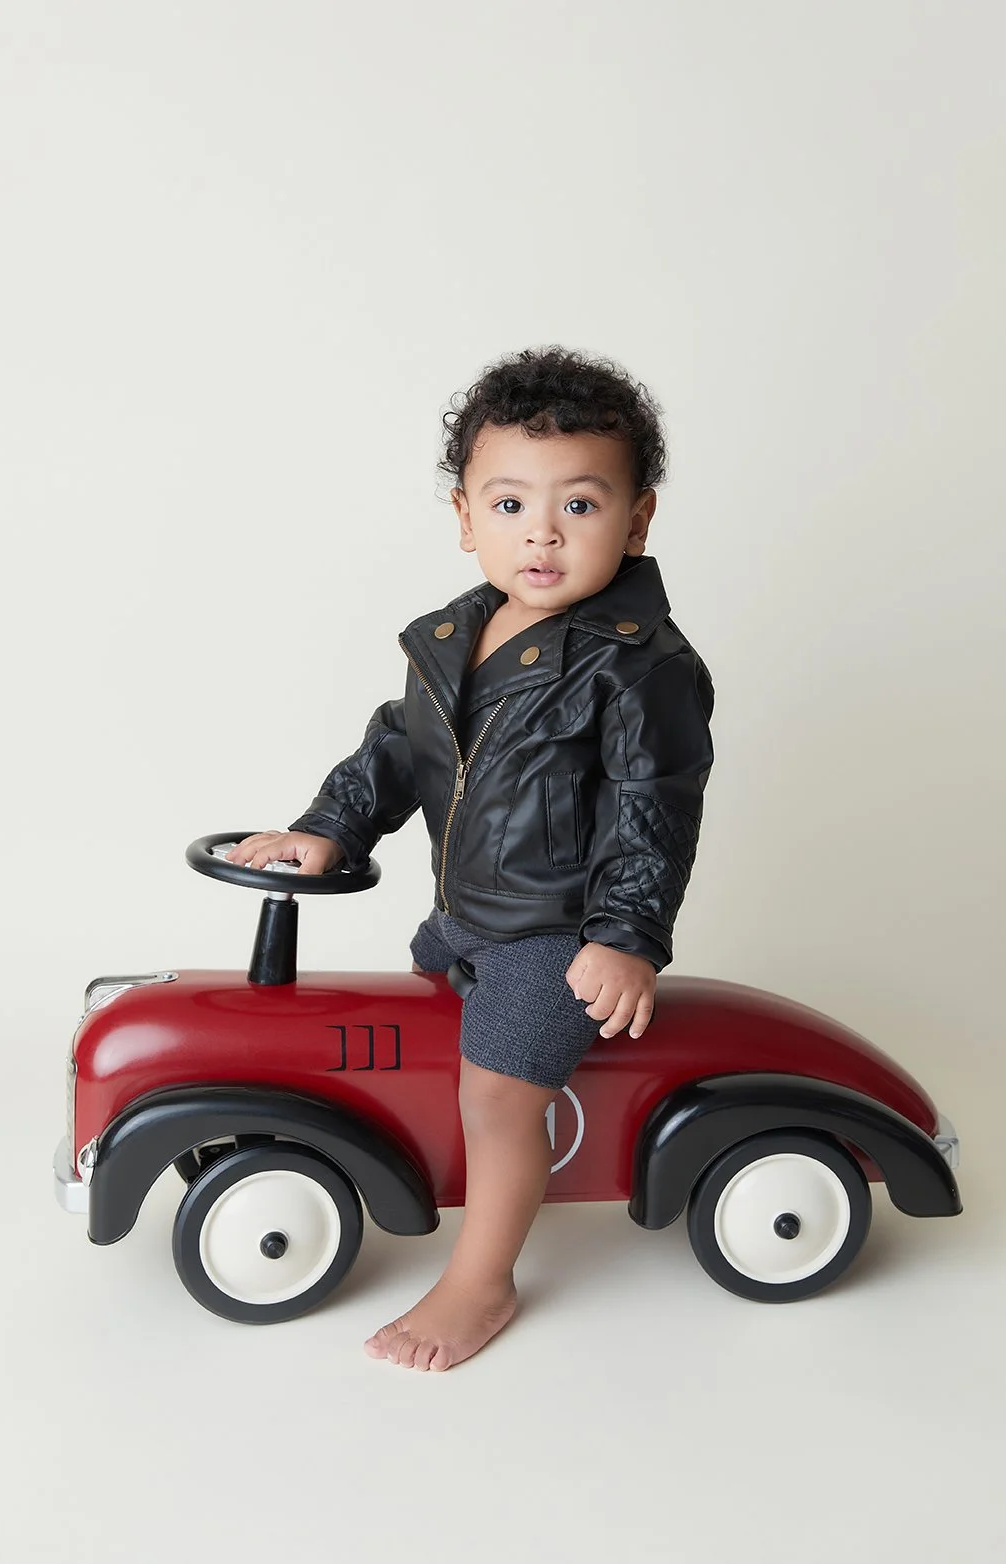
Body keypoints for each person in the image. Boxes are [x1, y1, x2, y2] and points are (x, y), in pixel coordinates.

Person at [226, 344, 715, 1371]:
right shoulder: (454, 636)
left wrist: (624, 936)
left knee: (496, 1095)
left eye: (578, 505)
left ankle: (480, 1280)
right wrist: (333, 826)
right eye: (507, 504)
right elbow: (398, 747)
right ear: (463, 516)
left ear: (636, 519)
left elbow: (652, 808)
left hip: (552, 931)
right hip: (464, 916)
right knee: (414, 1043)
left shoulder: (639, 665)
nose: (539, 531)